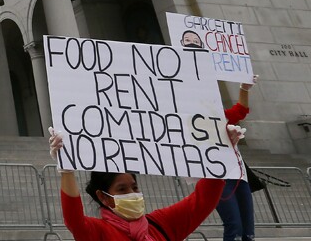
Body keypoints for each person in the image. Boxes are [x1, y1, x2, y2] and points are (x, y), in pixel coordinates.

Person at [48, 125, 246, 241]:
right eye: (122, 189)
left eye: (134, 187)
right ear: (103, 197)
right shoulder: (98, 232)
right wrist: (67, 170)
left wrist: (222, 152)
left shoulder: (160, 224)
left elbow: (202, 201)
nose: (133, 193)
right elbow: (74, 220)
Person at [218, 74, 259, 241]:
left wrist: (244, 88)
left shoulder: (224, 117)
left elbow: (240, 110)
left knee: (248, 230)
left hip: (239, 176)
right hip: (217, 179)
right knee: (234, 226)